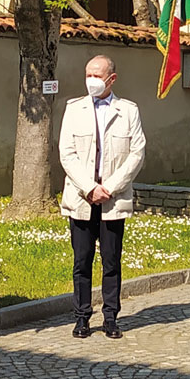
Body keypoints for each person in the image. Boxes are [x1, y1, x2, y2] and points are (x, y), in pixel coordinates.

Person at [58, 54, 145, 340]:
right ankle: (81, 317)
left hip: (113, 199)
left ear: (112, 79)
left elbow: (136, 154)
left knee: (111, 261)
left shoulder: (128, 110)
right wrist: (89, 187)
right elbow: (66, 154)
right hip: (82, 198)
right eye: (89, 74)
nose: (92, 80)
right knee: (81, 261)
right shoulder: (74, 109)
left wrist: (110, 187)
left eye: (98, 75)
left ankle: (111, 317)